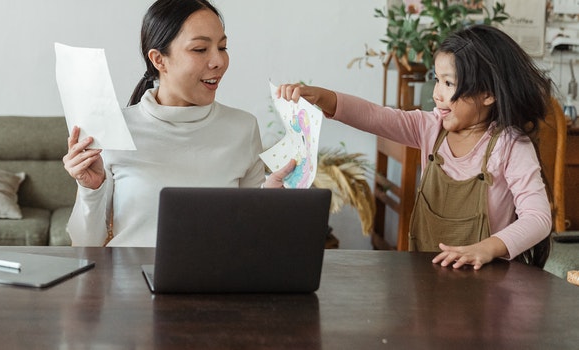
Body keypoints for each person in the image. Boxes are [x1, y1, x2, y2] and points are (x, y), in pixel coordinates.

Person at [277, 25, 553, 270]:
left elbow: (538, 217)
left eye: (449, 83)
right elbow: (376, 116)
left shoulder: (510, 145)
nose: (437, 94)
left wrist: (487, 248)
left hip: (490, 287)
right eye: (437, 79)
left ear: (488, 94)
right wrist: (323, 97)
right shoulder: (430, 128)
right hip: (429, 277)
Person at [63, 0, 294, 247]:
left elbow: (252, 238)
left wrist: (272, 202)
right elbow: (85, 245)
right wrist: (91, 188)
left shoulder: (242, 128)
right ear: (159, 59)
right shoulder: (114, 129)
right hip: (129, 280)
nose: (218, 61)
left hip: (214, 280)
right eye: (200, 49)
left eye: (222, 47)